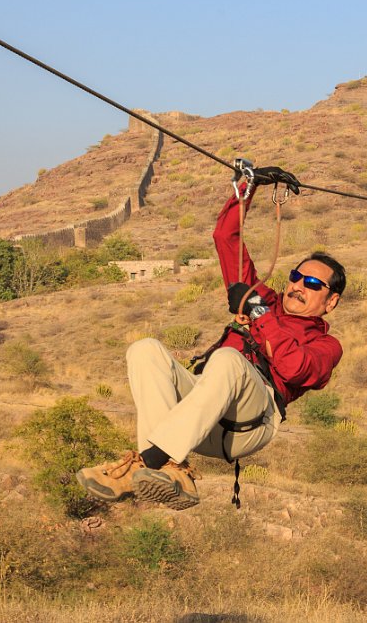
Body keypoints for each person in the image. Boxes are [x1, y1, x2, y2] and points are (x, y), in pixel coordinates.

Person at [76, 167, 344, 510]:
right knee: (145, 350)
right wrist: (248, 187)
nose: (297, 286)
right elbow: (226, 239)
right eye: (296, 276)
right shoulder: (264, 299)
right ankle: (169, 468)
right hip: (200, 419)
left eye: (312, 284)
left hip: (246, 426)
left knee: (228, 360)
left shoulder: (327, 346)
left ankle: (149, 460)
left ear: (331, 301)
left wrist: (260, 315)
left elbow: (292, 368)